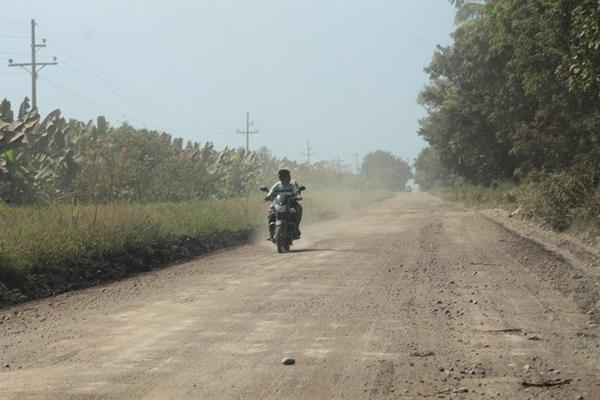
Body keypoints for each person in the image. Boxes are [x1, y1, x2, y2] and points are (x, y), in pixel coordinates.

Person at [265, 169, 303, 240]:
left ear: (289, 177)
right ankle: (271, 233)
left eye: (286, 176)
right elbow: (271, 192)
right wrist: (267, 197)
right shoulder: (277, 185)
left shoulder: (291, 185)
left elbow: (296, 192)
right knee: (270, 212)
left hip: (290, 203)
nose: (285, 178)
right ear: (280, 178)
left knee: (299, 209)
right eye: (282, 177)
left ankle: (296, 228)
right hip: (278, 203)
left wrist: (298, 196)